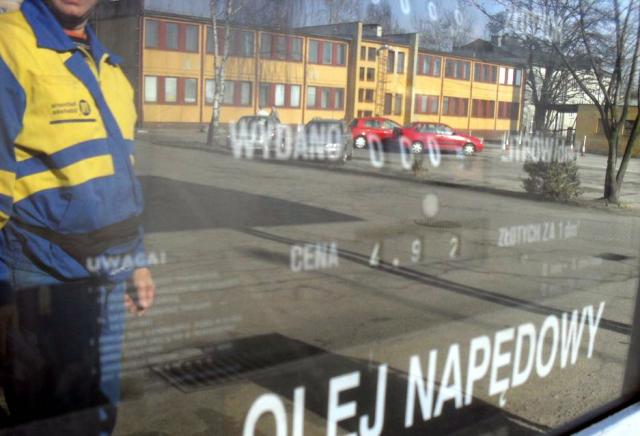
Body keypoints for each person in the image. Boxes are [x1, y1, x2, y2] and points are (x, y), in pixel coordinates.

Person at [0, 0, 155, 434]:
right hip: (41, 276)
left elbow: (121, 183)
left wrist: (137, 261)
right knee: (47, 419)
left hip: (108, 277)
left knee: (99, 411)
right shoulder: (9, 45)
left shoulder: (111, 70)